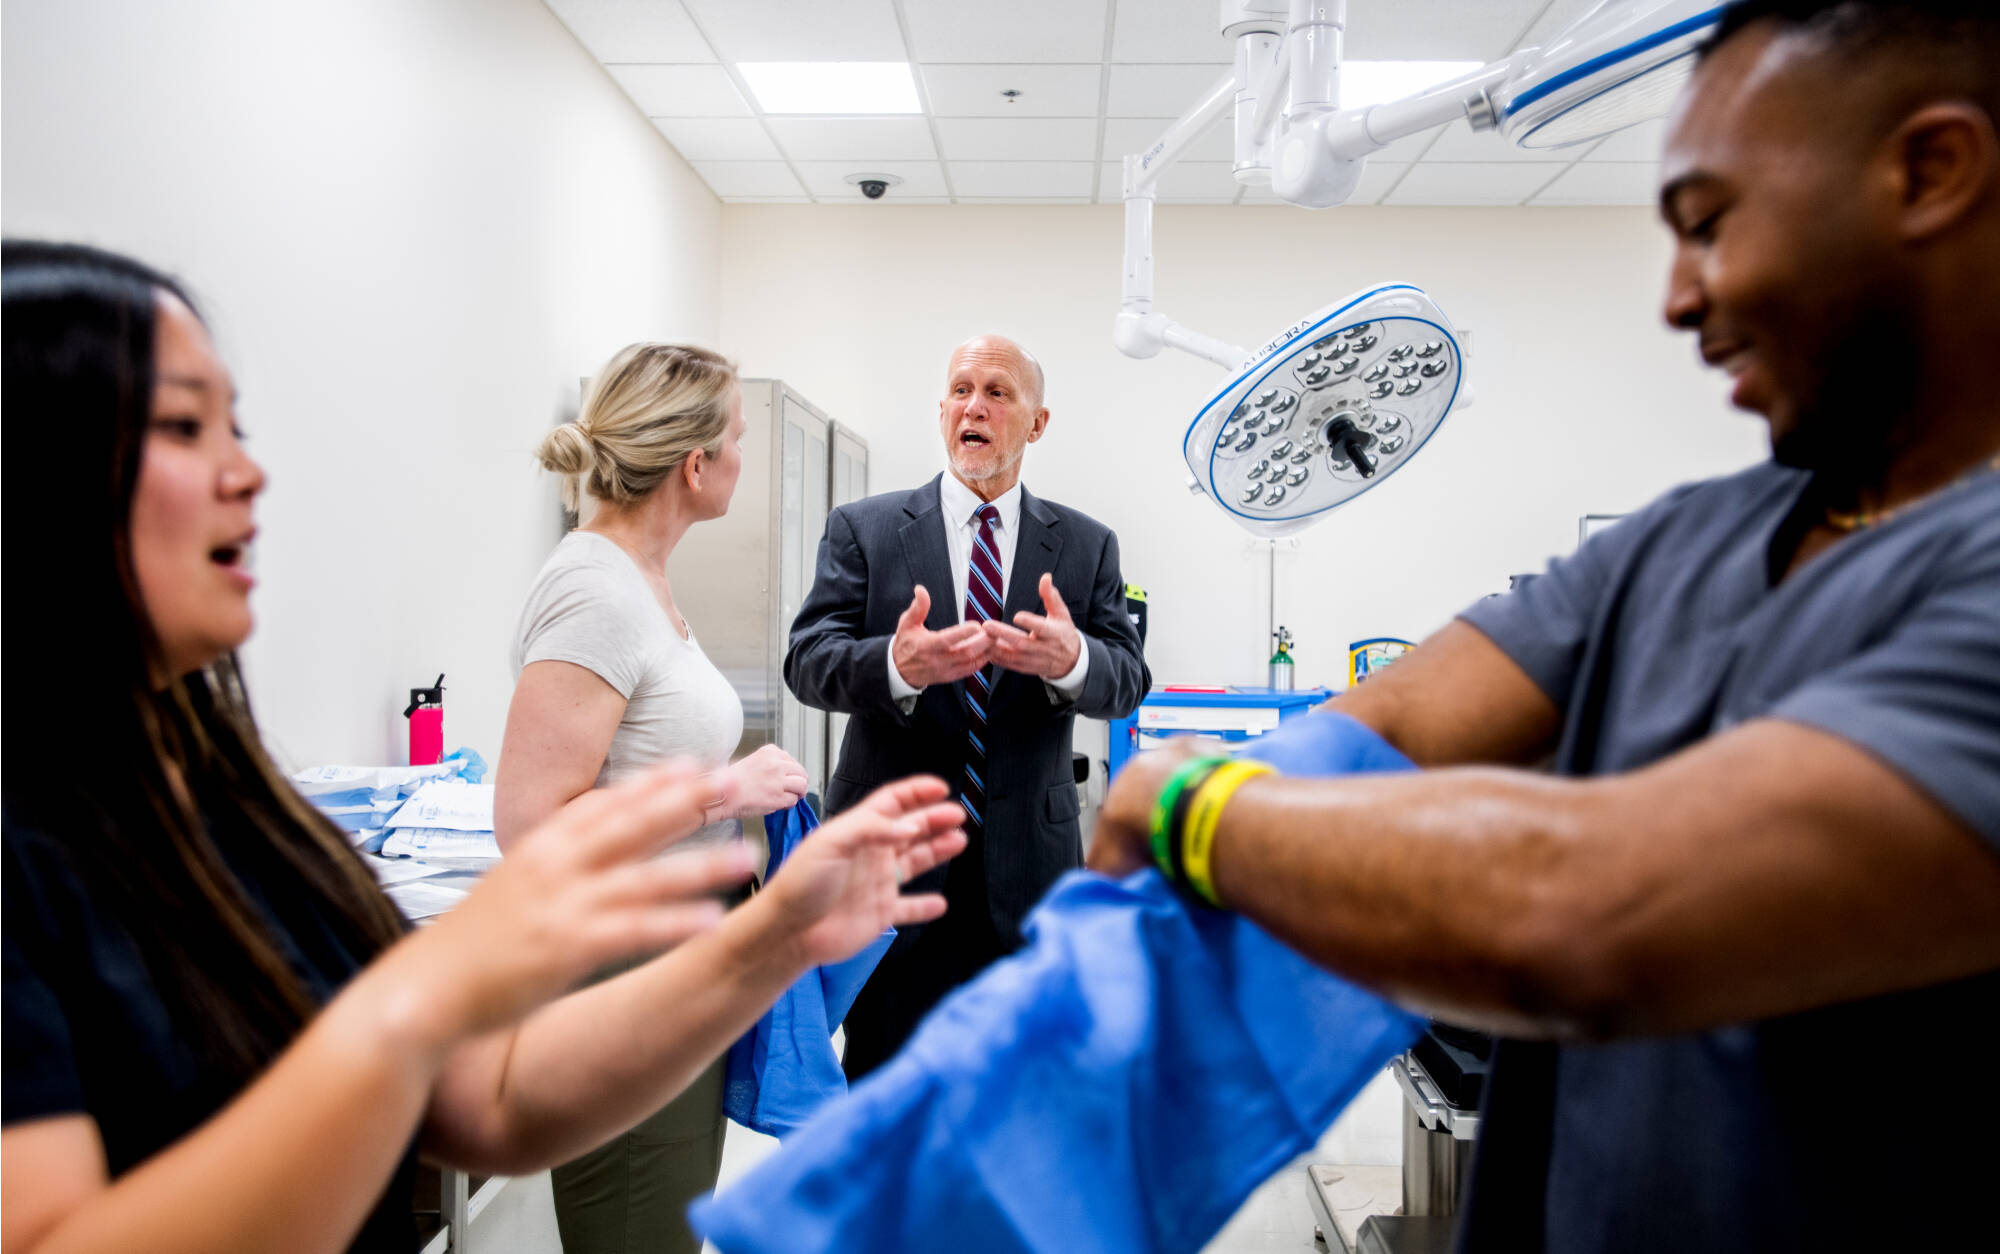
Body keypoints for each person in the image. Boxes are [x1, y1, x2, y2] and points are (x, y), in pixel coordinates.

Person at [1091, 3, 2000, 1250]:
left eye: (1708, 223)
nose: (1678, 300)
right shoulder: (1684, 543)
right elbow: (1390, 723)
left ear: (1929, 171)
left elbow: (1590, 914)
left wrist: (1191, 809)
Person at [0, 241, 967, 1254]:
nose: (247, 471)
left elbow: (485, 1108)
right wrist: (417, 1008)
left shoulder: (237, 810)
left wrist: (773, 941)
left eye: (233, 427)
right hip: (623, 942)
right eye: (184, 427)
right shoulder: (36, 860)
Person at [495, 342, 810, 1254]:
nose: (744, 461)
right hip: (621, 972)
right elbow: (530, 823)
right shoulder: (595, 593)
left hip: (675, 956)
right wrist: (723, 791)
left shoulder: (643, 582)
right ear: (695, 464)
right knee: (635, 1225)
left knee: (664, 1220)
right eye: (739, 441)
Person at [785, 335, 1151, 1079]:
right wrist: (894, 664)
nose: (973, 407)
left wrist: (1073, 661)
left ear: (1036, 423)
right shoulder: (867, 530)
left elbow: (1129, 678)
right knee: (887, 1090)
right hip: (894, 871)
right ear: (942, 411)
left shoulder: (1085, 547)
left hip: (1029, 877)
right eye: (959, 390)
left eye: (997, 392)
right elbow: (807, 661)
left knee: (1018, 1095)